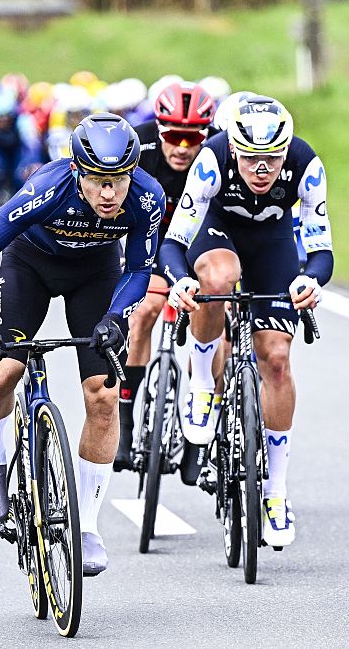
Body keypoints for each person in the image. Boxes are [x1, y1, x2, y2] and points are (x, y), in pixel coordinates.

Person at [0, 112, 165, 576]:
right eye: (98, 181)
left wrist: (115, 316)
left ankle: (85, 525)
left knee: (104, 396)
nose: (109, 194)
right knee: (7, 371)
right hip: (30, 265)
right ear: (77, 172)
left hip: (96, 275)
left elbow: (138, 269)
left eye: (118, 181)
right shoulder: (47, 188)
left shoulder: (148, 198)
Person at [160, 95, 334, 547]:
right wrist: (181, 280)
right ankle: (201, 382)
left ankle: (275, 491)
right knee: (219, 277)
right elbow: (175, 242)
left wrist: (311, 281)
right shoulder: (211, 159)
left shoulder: (306, 165)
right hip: (218, 234)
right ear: (233, 149)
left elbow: (321, 252)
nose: (262, 170)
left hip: (273, 242)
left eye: (272, 160)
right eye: (252, 159)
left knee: (276, 359)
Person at [113, 81, 216, 472]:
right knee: (142, 314)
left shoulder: (218, 153)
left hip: (200, 246)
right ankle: (126, 424)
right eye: (174, 136)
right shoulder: (138, 148)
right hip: (153, 244)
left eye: (193, 138)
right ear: (158, 129)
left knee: (214, 328)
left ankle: (196, 436)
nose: (183, 148)